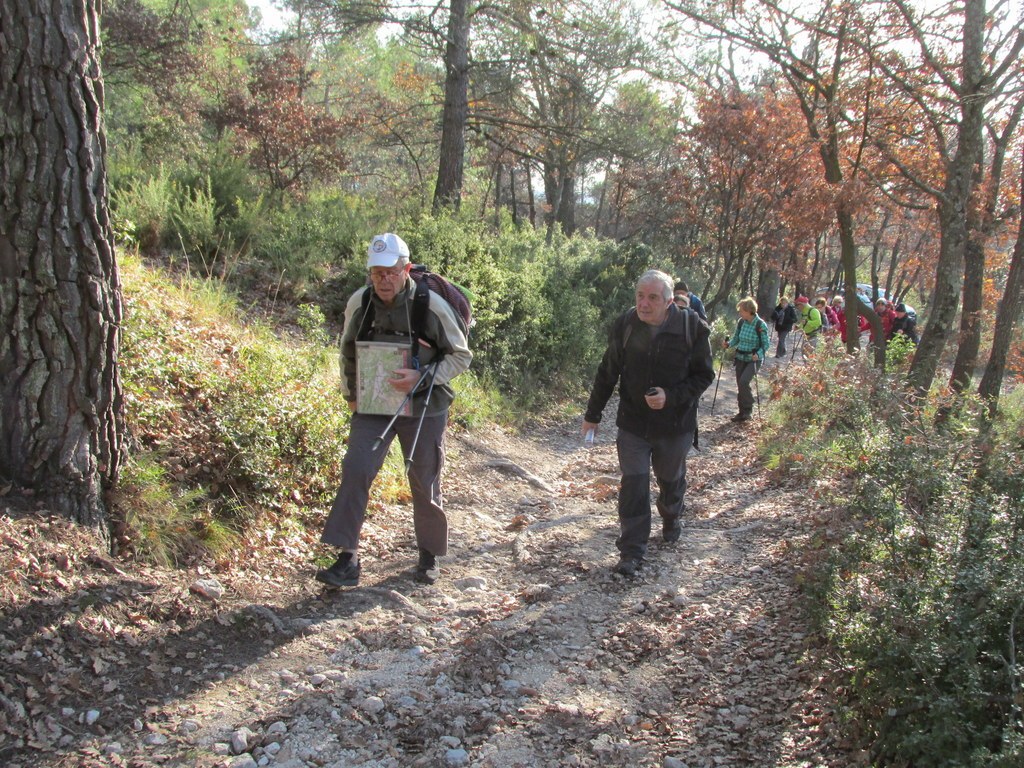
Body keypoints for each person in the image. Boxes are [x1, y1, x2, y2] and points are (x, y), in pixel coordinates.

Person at [315, 233, 472, 588]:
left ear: (407, 269)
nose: (384, 280)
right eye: (376, 273)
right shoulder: (361, 301)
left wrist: (424, 375)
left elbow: (461, 355)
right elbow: (347, 350)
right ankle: (346, 558)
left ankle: (429, 555)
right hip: (373, 402)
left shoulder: (429, 305)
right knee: (356, 468)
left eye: (391, 272)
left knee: (423, 477)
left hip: (425, 406)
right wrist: (350, 394)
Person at [583, 270, 715, 577]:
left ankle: (671, 515)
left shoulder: (691, 327)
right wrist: (593, 415)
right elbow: (608, 370)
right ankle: (631, 552)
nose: (644, 303)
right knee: (634, 485)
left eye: (652, 297)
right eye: (640, 296)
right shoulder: (626, 324)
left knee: (670, 480)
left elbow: (704, 375)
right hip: (633, 423)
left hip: (675, 425)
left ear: (669, 301)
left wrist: (671, 396)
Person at [724, 297, 770, 423]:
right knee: (740, 384)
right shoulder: (741, 322)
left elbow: (766, 344)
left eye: (741, 310)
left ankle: (748, 409)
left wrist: (759, 354)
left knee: (744, 382)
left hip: (753, 359)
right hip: (740, 357)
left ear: (749, 311)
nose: (740, 313)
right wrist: (729, 344)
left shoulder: (760, 325)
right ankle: (741, 412)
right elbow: (736, 338)